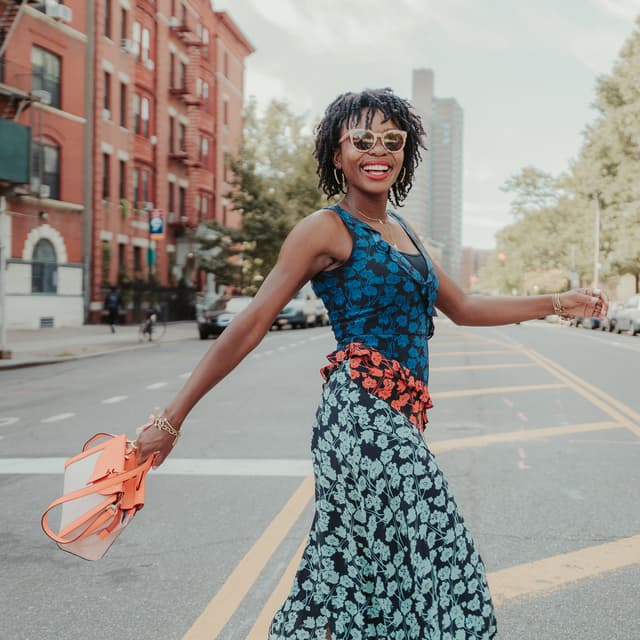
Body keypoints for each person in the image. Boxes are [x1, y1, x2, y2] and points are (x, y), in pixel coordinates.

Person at [134, 88, 607, 639]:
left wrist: (557, 303)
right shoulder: (325, 228)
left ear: (404, 153)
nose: (377, 150)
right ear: (337, 155)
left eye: (392, 140)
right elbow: (251, 322)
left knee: (352, 574)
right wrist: (172, 418)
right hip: (362, 419)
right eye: (361, 139)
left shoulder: (406, 232)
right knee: (441, 557)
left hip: (400, 417)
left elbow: (465, 307)